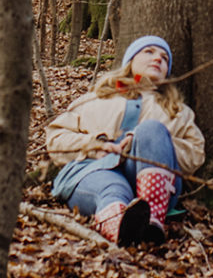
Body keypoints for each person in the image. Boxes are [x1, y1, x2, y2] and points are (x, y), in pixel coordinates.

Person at [44, 35, 204, 247]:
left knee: (151, 129)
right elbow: (56, 138)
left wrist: (153, 141)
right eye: (149, 52)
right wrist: (95, 144)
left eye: (164, 58)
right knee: (113, 188)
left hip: (154, 180)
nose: (158, 59)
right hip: (91, 172)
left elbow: (195, 154)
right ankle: (120, 228)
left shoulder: (177, 111)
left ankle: (151, 220)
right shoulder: (96, 98)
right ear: (130, 60)